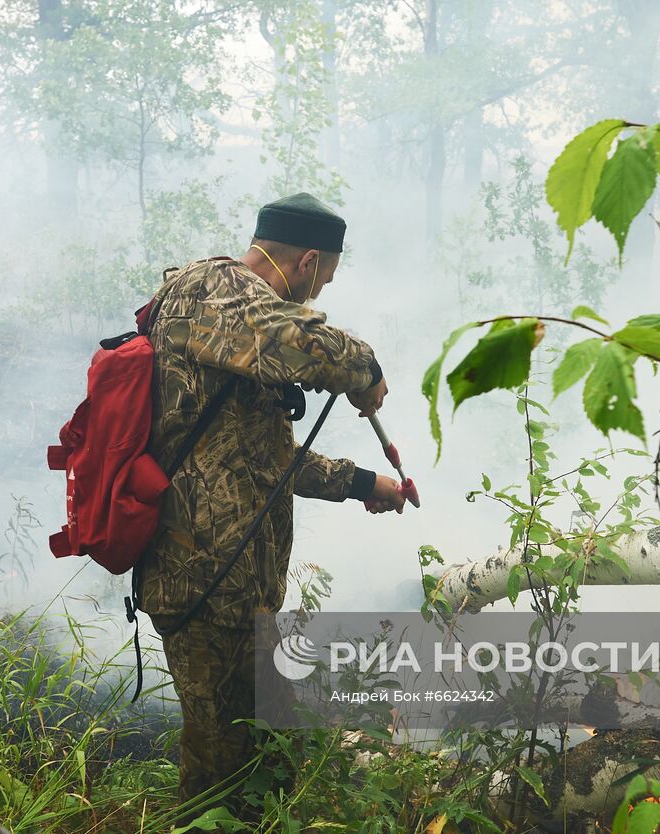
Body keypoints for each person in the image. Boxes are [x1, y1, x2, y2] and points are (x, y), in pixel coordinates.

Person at [136, 192, 405, 816]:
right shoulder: (216, 293)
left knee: (259, 756)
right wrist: (365, 369)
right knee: (220, 771)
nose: (317, 295)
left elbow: (257, 460)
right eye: (324, 279)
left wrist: (364, 483)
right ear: (308, 261)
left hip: (239, 584)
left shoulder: (233, 325)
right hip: (202, 578)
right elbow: (307, 342)